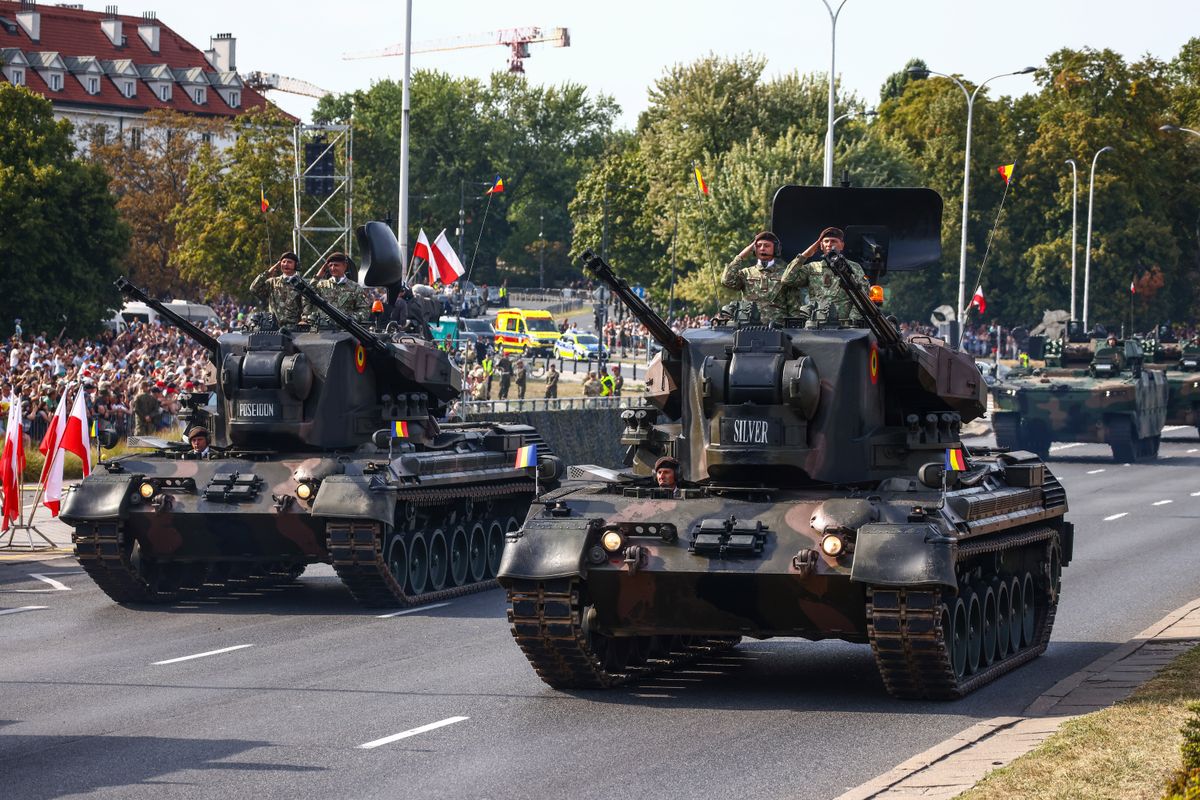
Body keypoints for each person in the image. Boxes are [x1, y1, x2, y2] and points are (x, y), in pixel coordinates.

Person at [779, 227, 869, 324]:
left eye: (833, 241)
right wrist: (804, 256)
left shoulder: (853, 267)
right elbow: (787, 279)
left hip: (843, 326)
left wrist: (851, 322)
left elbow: (862, 296)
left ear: (842, 245)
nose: (829, 244)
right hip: (815, 325)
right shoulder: (812, 267)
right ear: (821, 246)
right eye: (826, 241)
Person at [721, 231, 802, 323]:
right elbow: (726, 281)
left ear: (775, 249)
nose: (762, 249)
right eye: (759, 246)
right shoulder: (746, 273)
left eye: (767, 246)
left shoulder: (786, 274)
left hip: (778, 330)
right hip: (748, 328)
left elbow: (794, 307)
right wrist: (740, 257)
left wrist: (794, 330)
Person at [303, 252, 369, 324]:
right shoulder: (321, 285)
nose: (333, 268)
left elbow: (364, 310)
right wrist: (318, 276)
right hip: (323, 329)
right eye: (330, 265)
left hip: (345, 330)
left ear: (344, 266)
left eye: (336, 265)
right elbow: (307, 294)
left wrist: (350, 319)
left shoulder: (355, 287)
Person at [249, 251, 304, 328]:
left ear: (296, 265)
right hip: (273, 327)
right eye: (283, 262)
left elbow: (307, 305)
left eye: (289, 262)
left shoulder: (301, 284)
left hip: (293, 329)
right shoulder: (272, 282)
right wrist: (267, 273)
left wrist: (304, 320)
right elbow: (254, 289)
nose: (286, 264)